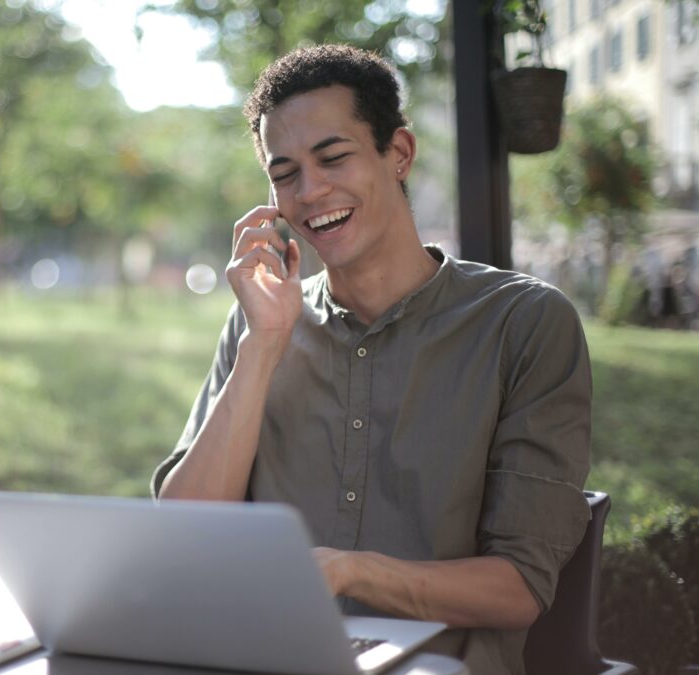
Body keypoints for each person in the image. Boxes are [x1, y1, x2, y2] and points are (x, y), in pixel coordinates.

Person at [151, 44, 592, 674]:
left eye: (333, 157)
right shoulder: (262, 321)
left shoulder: (523, 324)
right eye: (284, 173)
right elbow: (185, 531)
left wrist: (347, 572)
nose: (310, 191)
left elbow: (519, 587)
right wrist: (264, 345)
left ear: (399, 154)